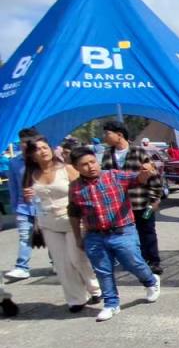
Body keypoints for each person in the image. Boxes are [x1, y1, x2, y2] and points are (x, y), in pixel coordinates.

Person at [67, 147, 161, 322]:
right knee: (103, 271)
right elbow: (73, 213)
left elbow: (138, 178)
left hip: (122, 230)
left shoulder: (114, 176)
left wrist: (146, 171)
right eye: (84, 165)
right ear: (75, 167)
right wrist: (78, 237)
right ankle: (111, 304)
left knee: (133, 262)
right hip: (94, 235)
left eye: (92, 162)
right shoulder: (75, 188)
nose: (90, 167)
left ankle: (150, 281)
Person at [21, 137, 102, 312]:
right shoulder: (31, 174)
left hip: (72, 220)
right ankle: (76, 299)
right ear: (32, 156)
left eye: (45, 147)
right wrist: (28, 197)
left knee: (77, 259)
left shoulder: (67, 169)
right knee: (62, 263)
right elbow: (31, 198)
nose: (43, 151)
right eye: (38, 149)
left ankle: (95, 288)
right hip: (48, 223)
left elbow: (84, 188)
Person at [100, 121, 164, 275]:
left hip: (142, 202)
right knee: (124, 235)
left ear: (119, 134)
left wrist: (155, 199)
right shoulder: (107, 155)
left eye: (107, 133)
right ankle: (135, 261)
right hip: (119, 206)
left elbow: (153, 176)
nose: (104, 137)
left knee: (147, 231)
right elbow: (104, 179)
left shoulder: (138, 152)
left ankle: (153, 261)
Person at [4, 128, 41, 280]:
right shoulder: (14, 162)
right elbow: (13, 186)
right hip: (23, 207)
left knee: (49, 237)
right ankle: (22, 267)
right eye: (22, 142)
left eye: (28, 142)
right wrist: (15, 207)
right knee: (25, 236)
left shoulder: (43, 158)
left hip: (43, 206)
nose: (25, 145)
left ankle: (56, 263)